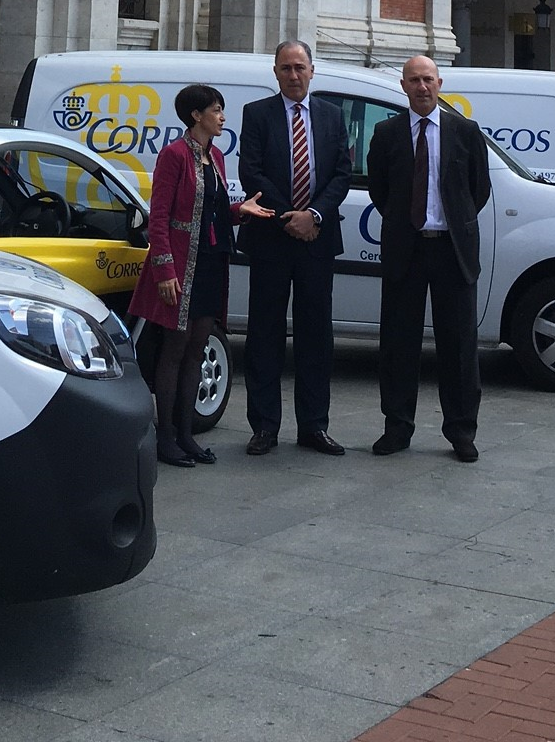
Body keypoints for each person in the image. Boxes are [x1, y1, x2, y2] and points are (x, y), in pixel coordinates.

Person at [129, 84, 274, 467]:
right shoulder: (174, 155)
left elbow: (213, 211)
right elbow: (159, 217)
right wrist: (164, 269)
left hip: (210, 264)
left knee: (197, 347)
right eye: (216, 110)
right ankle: (165, 436)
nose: (222, 117)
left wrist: (241, 211)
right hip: (179, 265)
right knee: (174, 350)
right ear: (196, 115)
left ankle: (186, 434)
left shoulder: (216, 157)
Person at [366, 55, 492, 462]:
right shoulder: (386, 133)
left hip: (452, 250)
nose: (422, 87)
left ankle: (461, 431)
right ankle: (397, 427)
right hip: (407, 248)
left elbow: (478, 190)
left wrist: (451, 222)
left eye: (428, 80)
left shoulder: (465, 131)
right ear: (403, 86)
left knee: (459, 345)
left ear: (440, 83)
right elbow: (379, 190)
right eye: (414, 80)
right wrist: (406, 222)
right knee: (398, 343)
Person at [237, 40, 353, 456]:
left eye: (299, 67)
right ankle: (264, 426)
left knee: (315, 336)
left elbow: (342, 173)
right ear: (275, 72)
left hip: (317, 242)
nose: (293, 75)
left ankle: (314, 426)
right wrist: (290, 217)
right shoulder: (257, 114)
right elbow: (250, 171)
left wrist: (313, 216)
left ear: (312, 70)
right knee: (264, 334)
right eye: (285, 68)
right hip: (270, 239)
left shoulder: (332, 116)